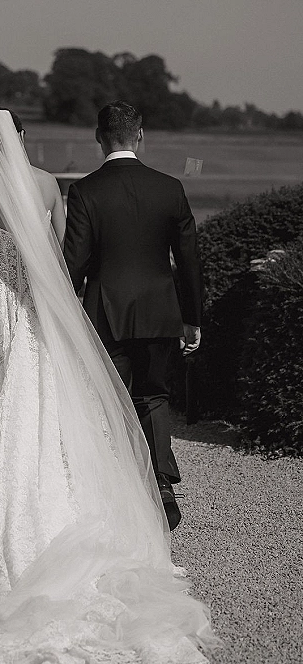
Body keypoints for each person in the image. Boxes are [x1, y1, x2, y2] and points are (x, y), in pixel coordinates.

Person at [0, 108, 217, 664]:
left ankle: (7, 494)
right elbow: (68, 258)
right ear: (20, 139)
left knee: (6, 401)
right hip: (86, 308)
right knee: (98, 403)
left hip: (9, 305)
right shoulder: (60, 185)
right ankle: (130, 486)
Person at [64, 101, 202, 531]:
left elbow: (74, 264)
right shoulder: (170, 187)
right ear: (140, 135)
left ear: (98, 136)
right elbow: (190, 260)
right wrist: (192, 317)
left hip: (105, 314)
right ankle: (161, 485)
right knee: (154, 396)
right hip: (161, 311)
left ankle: (113, 492)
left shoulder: (85, 191)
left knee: (108, 400)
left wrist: (59, 311)